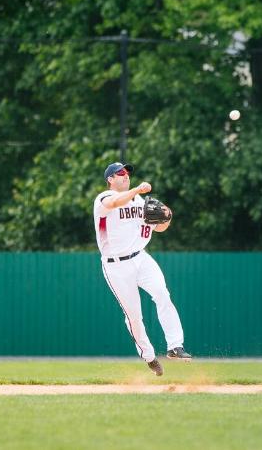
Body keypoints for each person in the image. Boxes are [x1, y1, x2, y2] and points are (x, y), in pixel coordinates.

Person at [93, 161, 191, 376]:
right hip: (116, 265)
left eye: (127, 172)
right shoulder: (103, 198)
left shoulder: (139, 201)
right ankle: (149, 356)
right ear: (110, 179)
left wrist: (167, 217)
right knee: (134, 316)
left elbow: (159, 228)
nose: (126, 175)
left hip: (141, 258)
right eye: (120, 173)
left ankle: (176, 346)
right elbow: (114, 203)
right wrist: (137, 189)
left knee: (162, 294)